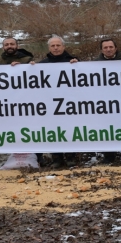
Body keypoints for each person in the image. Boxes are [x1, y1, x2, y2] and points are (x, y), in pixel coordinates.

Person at [33, 35, 78, 168]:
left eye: (58, 45)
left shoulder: (73, 62)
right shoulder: (42, 64)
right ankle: (57, 158)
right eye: (53, 46)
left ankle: (71, 157)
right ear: (49, 48)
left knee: (69, 131)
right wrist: (30, 68)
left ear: (63, 47)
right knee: (53, 131)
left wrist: (78, 65)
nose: (56, 48)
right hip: (50, 105)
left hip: (70, 104)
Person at [94, 39, 121, 164]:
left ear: (116, 48)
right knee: (106, 129)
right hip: (105, 104)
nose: (108, 49)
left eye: (110, 47)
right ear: (101, 50)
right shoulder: (94, 64)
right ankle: (109, 156)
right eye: (105, 48)